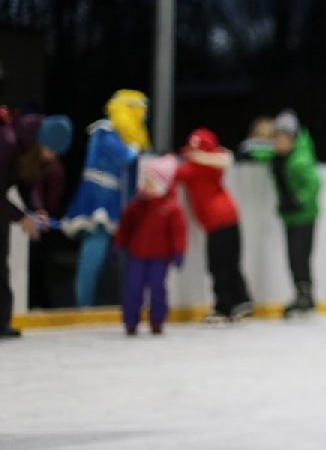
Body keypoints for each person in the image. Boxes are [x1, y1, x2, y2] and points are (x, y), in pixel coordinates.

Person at [61, 89, 151, 306]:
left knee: (124, 259)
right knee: (93, 258)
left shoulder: (125, 137)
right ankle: (84, 308)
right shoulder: (104, 130)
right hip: (98, 203)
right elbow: (124, 157)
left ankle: (129, 303)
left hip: (121, 204)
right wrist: (136, 148)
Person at [241, 109, 321, 317]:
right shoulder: (278, 154)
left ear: (293, 138)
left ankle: (305, 294)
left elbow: (314, 184)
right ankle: (302, 293)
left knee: (299, 255)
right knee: (292, 257)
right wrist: (247, 151)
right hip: (289, 215)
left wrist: (299, 199)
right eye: (277, 138)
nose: (280, 142)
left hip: (304, 215)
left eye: (284, 138)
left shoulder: (301, 160)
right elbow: (258, 150)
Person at [0, 111, 72, 336]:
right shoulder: (6, 142)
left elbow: (29, 184)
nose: (51, 157)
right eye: (50, 150)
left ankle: (2, 321)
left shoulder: (28, 150)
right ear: (40, 143)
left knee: (1, 264)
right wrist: (21, 217)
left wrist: (36, 210)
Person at [175, 127, 254, 323]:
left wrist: (198, 156)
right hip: (226, 219)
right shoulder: (196, 167)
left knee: (220, 265)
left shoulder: (197, 167)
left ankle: (226, 306)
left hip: (220, 221)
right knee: (228, 264)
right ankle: (240, 301)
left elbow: (226, 158)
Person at [113, 154, 187, 335]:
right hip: (137, 256)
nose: (146, 186)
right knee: (133, 289)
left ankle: (157, 320)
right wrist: (119, 244)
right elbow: (125, 227)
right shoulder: (136, 205)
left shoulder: (171, 208)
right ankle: (130, 322)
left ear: (162, 184)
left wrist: (178, 252)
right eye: (144, 181)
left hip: (160, 258)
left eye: (151, 182)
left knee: (157, 290)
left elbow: (179, 232)